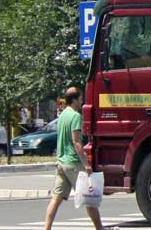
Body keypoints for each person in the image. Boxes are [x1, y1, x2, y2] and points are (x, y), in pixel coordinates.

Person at [44, 87, 111, 230]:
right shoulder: (75, 116)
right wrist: (86, 164)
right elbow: (76, 142)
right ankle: (99, 228)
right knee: (89, 198)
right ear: (74, 100)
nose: (82, 102)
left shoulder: (62, 115)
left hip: (61, 163)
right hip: (73, 163)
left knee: (56, 199)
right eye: (80, 99)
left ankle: (46, 228)